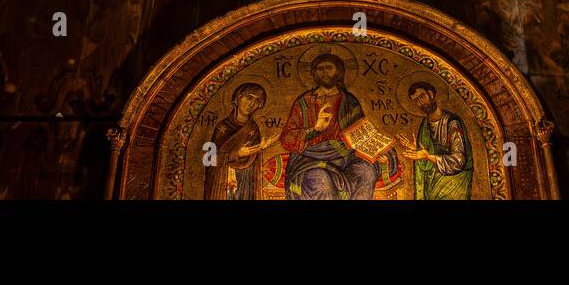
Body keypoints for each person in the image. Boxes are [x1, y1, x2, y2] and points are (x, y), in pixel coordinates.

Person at [280, 54, 385, 199]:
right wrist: (315, 129)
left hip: (345, 158)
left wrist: (376, 152)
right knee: (322, 181)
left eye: (329, 68)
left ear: (339, 72)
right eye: (320, 68)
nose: (324, 72)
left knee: (366, 171)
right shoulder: (304, 103)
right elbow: (287, 139)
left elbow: (362, 135)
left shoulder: (349, 102)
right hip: (310, 160)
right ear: (314, 74)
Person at [399, 83, 473, 200]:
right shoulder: (425, 124)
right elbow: (428, 153)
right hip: (433, 180)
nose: (421, 102)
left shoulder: (452, 122)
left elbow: (459, 161)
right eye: (416, 101)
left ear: (431, 94)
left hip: (454, 182)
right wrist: (416, 149)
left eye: (422, 96)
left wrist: (427, 156)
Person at [203, 83, 274, 200]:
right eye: (249, 98)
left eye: (257, 101)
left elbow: (255, 164)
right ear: (238, 98)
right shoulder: (223, 127)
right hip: (223, 185)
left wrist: (254, 151)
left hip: (246, 183)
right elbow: (210, 160)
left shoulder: (253, 129)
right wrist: (237, 154)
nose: (251, 104)